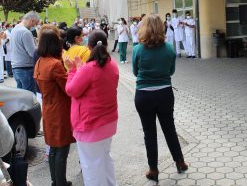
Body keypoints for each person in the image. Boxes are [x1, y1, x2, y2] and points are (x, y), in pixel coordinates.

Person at [132, 14, 188, 183]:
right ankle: (180, 162)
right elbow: (171, 72)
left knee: (149, 133)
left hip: (143, 95)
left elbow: (135, 72)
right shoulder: (169, 48)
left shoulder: (137, 49)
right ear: (162, 28)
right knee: (169, 128)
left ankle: (153, 170)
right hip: (164, 93)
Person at [65, 30, 119, 186]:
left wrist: (73, 70)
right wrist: (80, 69)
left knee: (91, 167)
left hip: (90, 124)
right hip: (108, 122)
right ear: (106, 44)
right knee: (104, 158)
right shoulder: (112, 64)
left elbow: (72, 90)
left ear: (88, 47)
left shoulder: (89, 68)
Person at [33, 30, 74, 186]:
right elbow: (68, 88)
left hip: (48, 108)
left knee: (53, 149)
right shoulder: (55, 64)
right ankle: (61, 182)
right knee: (62, 149)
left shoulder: (40, 62)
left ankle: (55, 181)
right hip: (60, 109)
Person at [10, 11, 40, 94]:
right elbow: (32, 53)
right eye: (35, 23)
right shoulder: (25, 32)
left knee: (21, 96)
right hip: (26, 68)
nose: (34, 26)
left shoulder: (15, 29)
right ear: (32, 20)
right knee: (29, 97)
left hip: (16, 67)